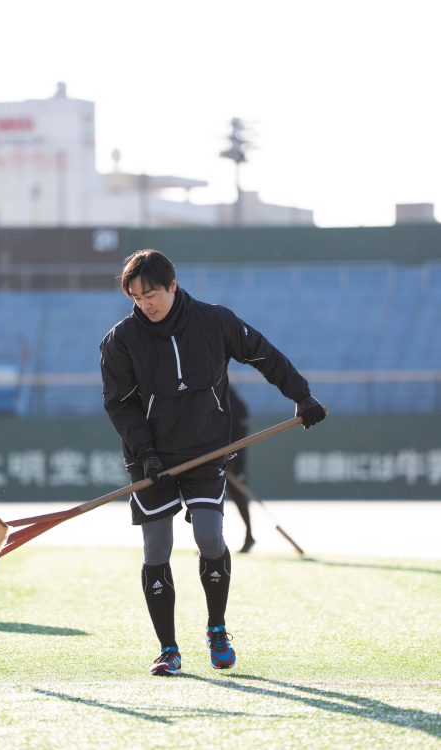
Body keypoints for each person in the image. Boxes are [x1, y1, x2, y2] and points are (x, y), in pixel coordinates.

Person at [100, 249, 326, 677]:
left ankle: (216, 628)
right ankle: (168, 649)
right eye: (135, 297)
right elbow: (120, 405)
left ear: (173, 285)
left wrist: (301, 395)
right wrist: (145, 454)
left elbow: (264, 354)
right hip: (151, 460)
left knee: (209, 536)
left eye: (151, 294)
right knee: (157, 548)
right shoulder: (120, 340)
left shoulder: (215, 321)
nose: (145, 304)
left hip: (206, 450)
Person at [227, 386, 256, 553]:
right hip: (212, 456)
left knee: (239, 496)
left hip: (234, 459)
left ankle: (249, 535)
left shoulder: (235, 402)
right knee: (208, 498)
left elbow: (241, 437)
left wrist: (233, 460)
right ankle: (210, 542)